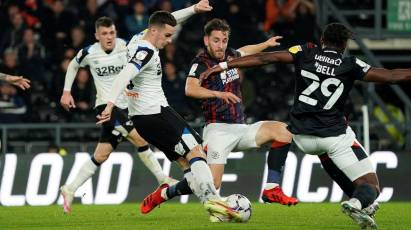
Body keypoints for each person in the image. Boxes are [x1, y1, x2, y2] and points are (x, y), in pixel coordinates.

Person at [199, 22, 411, 229]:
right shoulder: (351, 64)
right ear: (345, 45)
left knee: (326, 154)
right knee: (371, 184)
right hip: (333, 135)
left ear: (321, 40)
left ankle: (359, 202)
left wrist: (225, 65)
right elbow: (391, 76)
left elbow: (267, 58)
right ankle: (358, 203)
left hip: (301, 136)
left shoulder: (306, 52)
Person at [97, 2, 243, 222]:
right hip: (156, 114)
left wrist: (193, 9)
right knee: (197, 153)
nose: (169, 40)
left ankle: (170, 194)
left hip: (143, 120)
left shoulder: (138, 39)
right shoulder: (145, 51)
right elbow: (125, 74)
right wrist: (109, 104)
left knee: (187, 165)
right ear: (154, 31)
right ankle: (214, 201)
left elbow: (168, 19)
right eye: (166, 36)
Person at [59, 16, 177, 214]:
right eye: (104, 33)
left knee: (101, 154)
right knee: (139, 138)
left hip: (127, 106)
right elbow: (73, 65)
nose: (109, 37)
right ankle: (163, 178)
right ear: (96, 35)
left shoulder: (126, 47)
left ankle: (69, 188)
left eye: (112, 32)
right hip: (106, 106)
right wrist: (66, 91)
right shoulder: (89, 52)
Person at [184, 18, 298, 205]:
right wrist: (217, 94)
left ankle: (271, 189)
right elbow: (190, 88)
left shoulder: (231, 55)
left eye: (224, 40)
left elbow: (246, 50)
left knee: (283, 131)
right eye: (216, 40)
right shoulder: (201, 63)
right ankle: (168, 191)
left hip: (240, 128)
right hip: (217, 130)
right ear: (206, 40)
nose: (221, 45)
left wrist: (266, 44)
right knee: (212, 184)